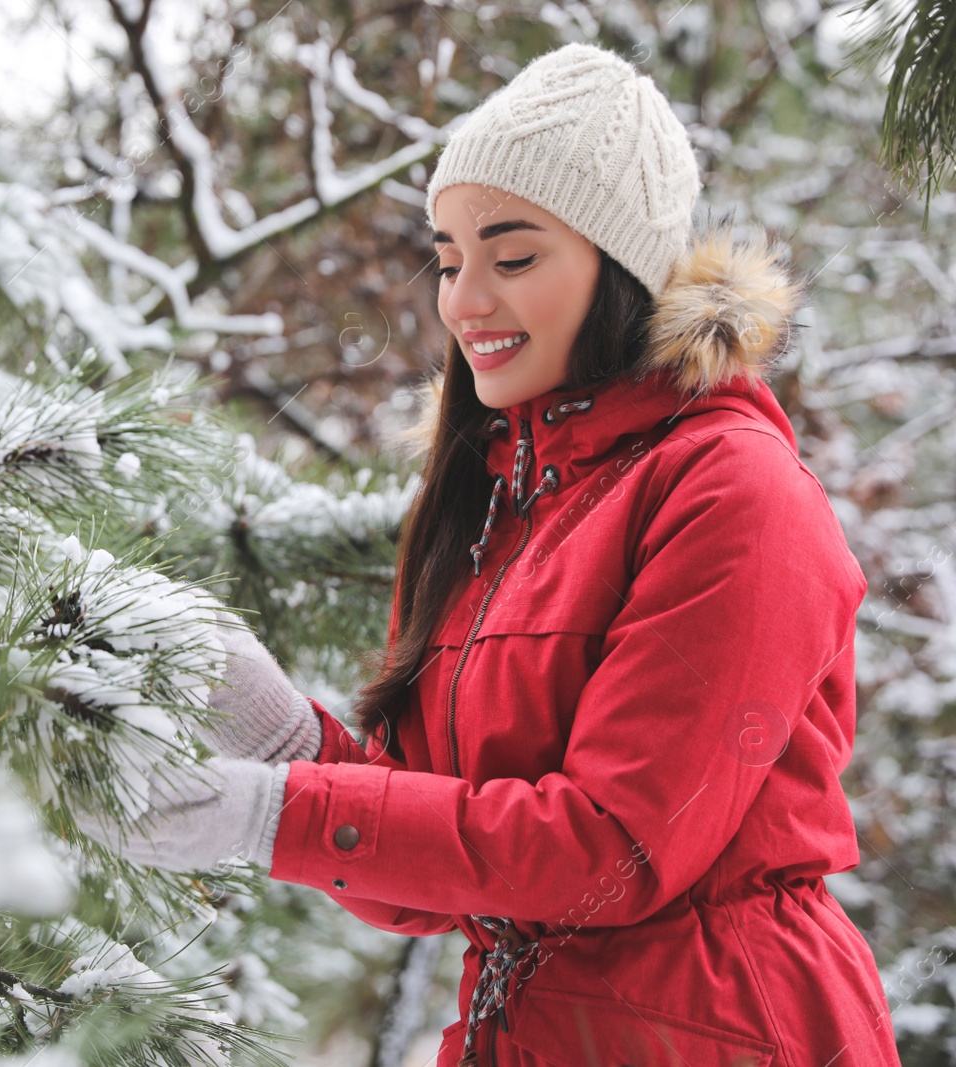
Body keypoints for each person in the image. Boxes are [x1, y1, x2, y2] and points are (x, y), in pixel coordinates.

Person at [78, 41, 903, 1066]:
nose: (463, 300)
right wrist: (285, 739)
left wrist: (268, 813)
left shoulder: (737, 492)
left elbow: (608, 853)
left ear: (621, 268)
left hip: (713, 1034)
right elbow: (453, 859)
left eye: (511, 257)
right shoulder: (501, 501)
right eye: (449, 257)